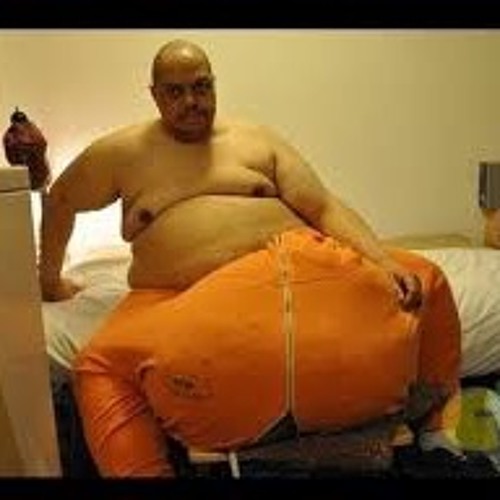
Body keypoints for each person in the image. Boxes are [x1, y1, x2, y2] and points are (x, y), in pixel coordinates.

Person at [38, 40, 468, 477]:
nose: (191, 101)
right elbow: (60, 202)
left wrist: (382, 261)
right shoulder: (122, 153)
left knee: (425, 276)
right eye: (175, 91)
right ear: (154, 95)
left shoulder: (255, 139)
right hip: (185, 297)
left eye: (201, 87)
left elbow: (321, 206)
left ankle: (437, 430)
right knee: (99, 366)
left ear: (214, 84)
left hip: (302, 264)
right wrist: (49, 282)